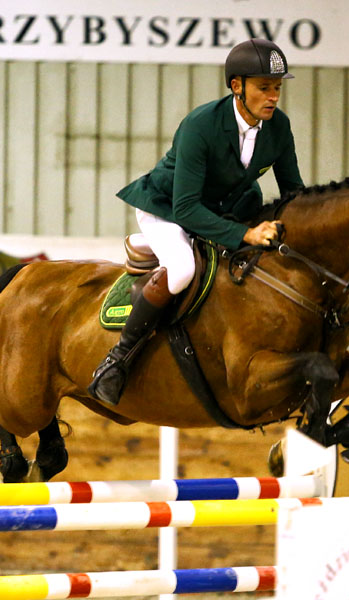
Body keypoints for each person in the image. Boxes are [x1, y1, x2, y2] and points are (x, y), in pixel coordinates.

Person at [88, 38, 305, 407]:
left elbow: (293, 192)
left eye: (277, 88)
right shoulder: (201, 125)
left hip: (223, 209)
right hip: (168, 208)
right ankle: (117, 360)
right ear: (237, 86)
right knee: (183, 270)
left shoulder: (278, 127)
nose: (273, 97)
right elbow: (186, 208)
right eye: (264, 88)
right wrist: (245, 233)